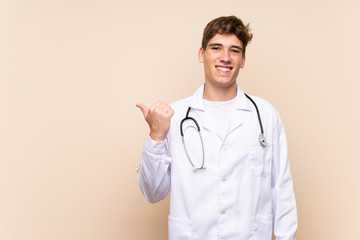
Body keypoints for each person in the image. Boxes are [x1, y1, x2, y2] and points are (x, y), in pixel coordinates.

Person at [136, 16, 297, 240]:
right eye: (216, 47)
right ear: (201, 54)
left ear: (242, 60)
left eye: (234, 50)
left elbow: (282, 189)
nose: (225, 57)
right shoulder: (174, 116)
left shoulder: (265, 115)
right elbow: (153, 193)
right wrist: (156, 136)